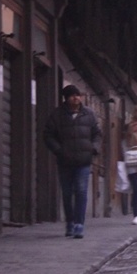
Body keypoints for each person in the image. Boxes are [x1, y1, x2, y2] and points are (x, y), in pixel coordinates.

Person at [43, 84, 101, 239]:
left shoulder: (89, 114)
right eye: (72, 95)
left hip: (83, 160)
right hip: (65, 161)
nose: (76, 98)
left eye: (78, 95)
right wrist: (59, 150)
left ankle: (79, 224)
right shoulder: (57, 115)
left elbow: (97, 134)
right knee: (67, 193)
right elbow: (48, 135)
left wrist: (94, 148)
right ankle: (69, 221)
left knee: (81, 191)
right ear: (66, 98)